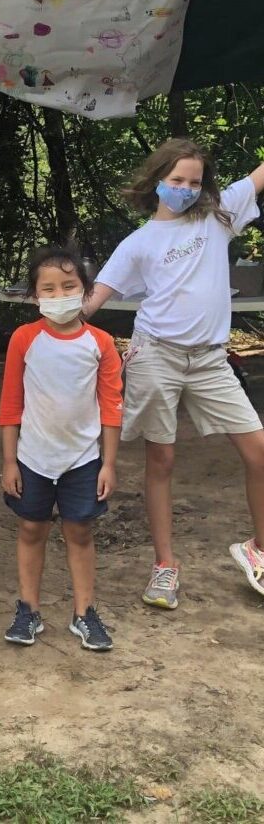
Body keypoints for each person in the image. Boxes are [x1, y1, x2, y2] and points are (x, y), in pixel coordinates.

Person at [85, 139, 264, 607]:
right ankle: (165, 567)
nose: (185, 189)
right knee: (160, 461)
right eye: (177, 180)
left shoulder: (219, 216)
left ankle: (259, 550)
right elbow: (92, 302)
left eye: (195, 182)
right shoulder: (138, 242)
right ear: (158, 180)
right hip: (155, 356)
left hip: (210, 360)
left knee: (258, 452)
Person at [0, 247, 121, 650]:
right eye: (48, 288)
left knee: (80, 532)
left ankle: (85, 613)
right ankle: (27, 610)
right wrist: (9, 461)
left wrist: (109, 464)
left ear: (85, 291)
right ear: (35, 296)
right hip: (33, 457)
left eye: (69, 286)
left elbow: (111, 408)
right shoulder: (24, 338)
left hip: (83, 459)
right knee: (31, 528)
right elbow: (11, 404)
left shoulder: (101, 344)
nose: (59, 294)